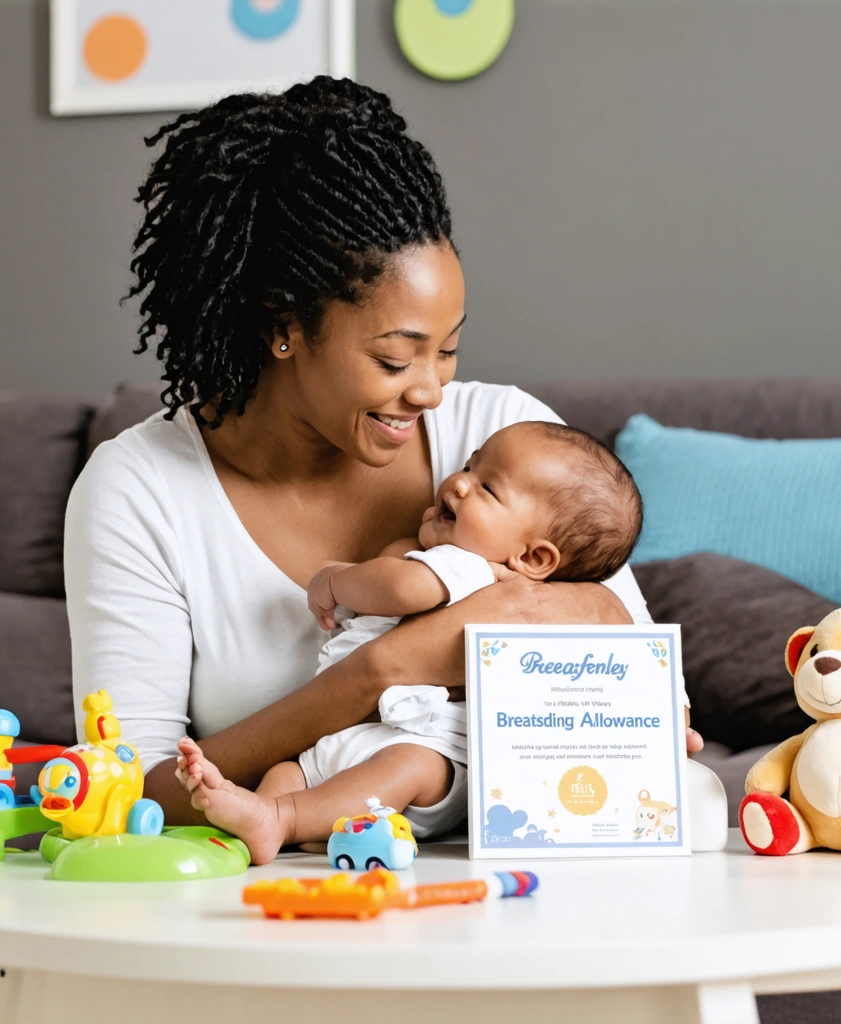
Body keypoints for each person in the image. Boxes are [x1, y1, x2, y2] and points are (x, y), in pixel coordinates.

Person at [64, 76, 702, 827]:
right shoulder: (140, 492)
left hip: (513, 892)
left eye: (450, 349)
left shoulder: (504, 438)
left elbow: (634, 659)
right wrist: (378, 672)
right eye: (396, 361)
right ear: (284, 327)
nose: (431, 390)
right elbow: (124, 793)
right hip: (276, 905)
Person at [175, 421, 643, 863]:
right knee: (287, 774)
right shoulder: (430, 558)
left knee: (403, 769)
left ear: (532, 557)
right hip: (352, 736)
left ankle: (281, 819)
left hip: (434, 751)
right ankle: (259, 817)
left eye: (488, 488)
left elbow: (401, 589)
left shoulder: (470, 569)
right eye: (469, 465)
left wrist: (337, 580)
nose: (459, 483)